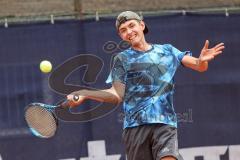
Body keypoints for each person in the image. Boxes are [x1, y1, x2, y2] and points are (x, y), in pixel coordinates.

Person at [67, 11, 225, 160]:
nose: (128, 32)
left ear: (141, 25)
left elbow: (199, 66)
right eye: (123, 30)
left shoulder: (168, 50)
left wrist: (202, 60)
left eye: (131, 26)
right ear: (121, 36)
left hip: (165, 124)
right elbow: (116, 95)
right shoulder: (121, 59)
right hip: (135, 128)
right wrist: (85, 93)